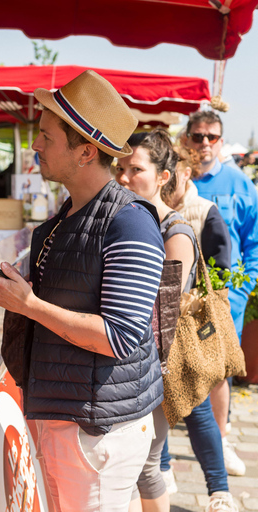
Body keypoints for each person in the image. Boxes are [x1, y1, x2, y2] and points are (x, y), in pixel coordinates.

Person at [0, 70, 163, 511]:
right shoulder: (68, 216)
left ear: (85, 151)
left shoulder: (130, 222)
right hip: (68, 416)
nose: (35, 146)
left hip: (97, 429)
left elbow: (119, 337)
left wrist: (29, 305)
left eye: (46, 136)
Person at [115, 129, 238, 512]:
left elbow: (162, 306)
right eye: (120, 168)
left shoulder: (174, 231)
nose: (123, 177)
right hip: (135, 361)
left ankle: (220, 492)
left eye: (135, 169)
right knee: (140, 465)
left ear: (163, 177)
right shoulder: (126, 219)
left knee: (151, 461)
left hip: (161, 360)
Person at [182, 110, 257, 475]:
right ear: (187, 139)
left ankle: (221, 438)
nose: (204, 143)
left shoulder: (239, 184)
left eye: (211, 137)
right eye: (198, 136)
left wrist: (241, 291)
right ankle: (161, 458)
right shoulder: (174, 177)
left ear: (221, 142)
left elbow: (254, 242)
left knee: (219, 368)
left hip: (225, 297)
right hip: (179, 294)